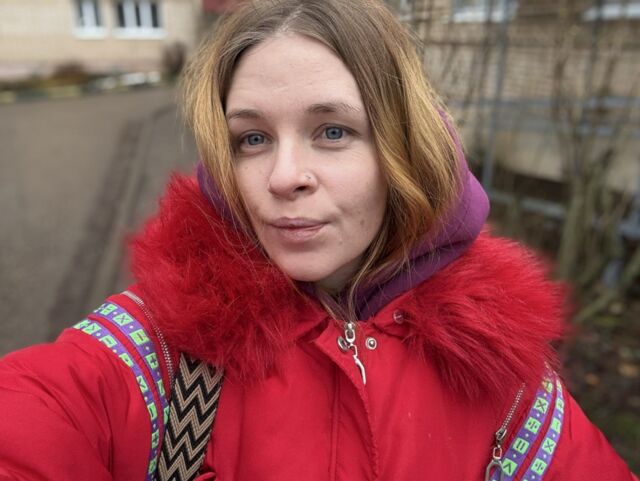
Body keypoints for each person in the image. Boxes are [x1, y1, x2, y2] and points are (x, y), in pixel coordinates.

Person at [0, 0, 637, 480]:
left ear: (405, 148)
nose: (283, 177)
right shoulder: (162, 349)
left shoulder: (500, 377)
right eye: (252, 139)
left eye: (332, 131)